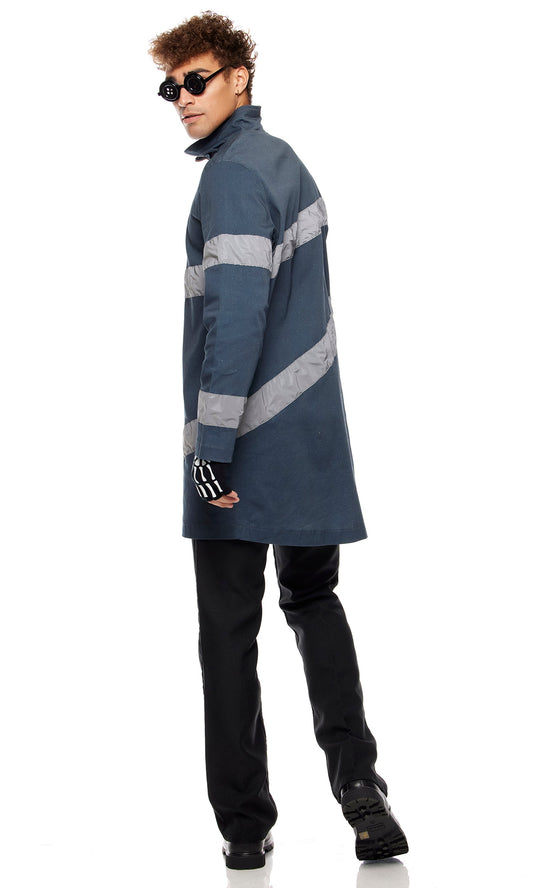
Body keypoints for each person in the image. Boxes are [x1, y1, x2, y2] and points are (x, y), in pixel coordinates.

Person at [148, 11, 408, 871]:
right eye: (169, 87)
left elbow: (236, 320)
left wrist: (211, 448)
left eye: (196, 80)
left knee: (228, 630)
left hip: (240, 442)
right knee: (313, 600)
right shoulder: (286, 163)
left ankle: (242, 827)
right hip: (309, 438)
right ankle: (360, 789)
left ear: (240, 78)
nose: (182, 99)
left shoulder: (229, 178)